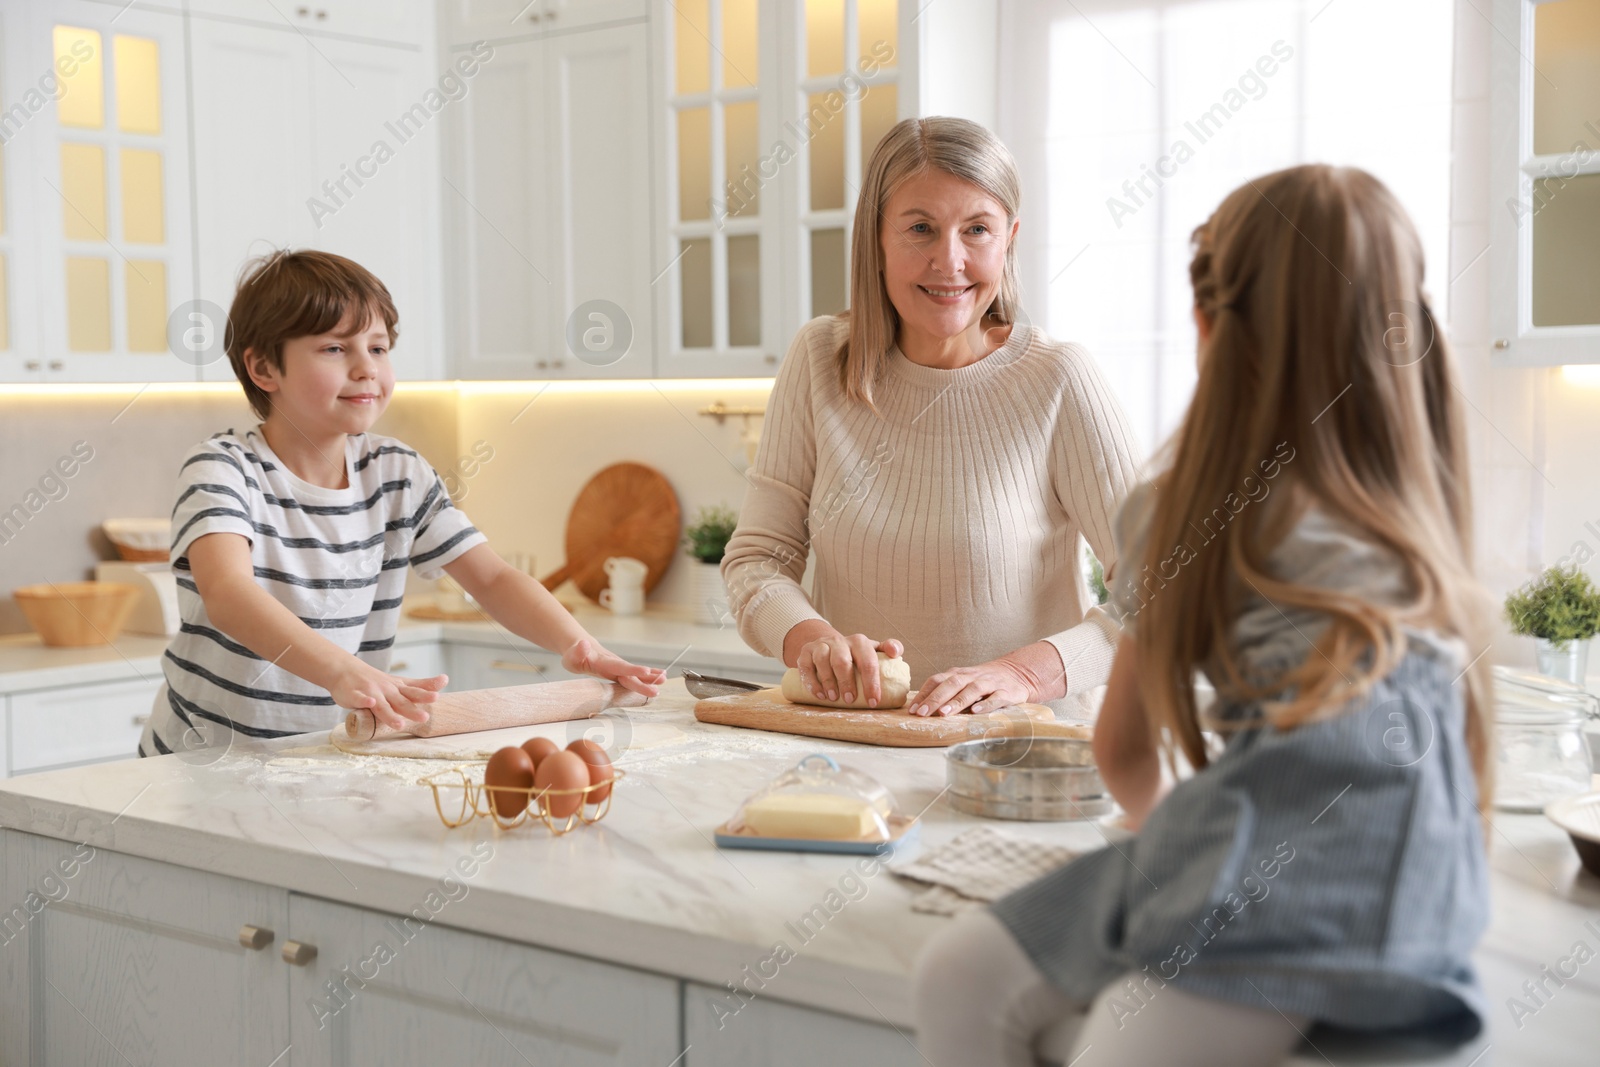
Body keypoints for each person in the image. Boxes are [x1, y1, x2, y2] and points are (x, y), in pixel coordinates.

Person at [911, 164, 1493, 1065]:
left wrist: (1172, 862)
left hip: (1280, 851)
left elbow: (1124, 753)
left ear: (1209, 326)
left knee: (960, 974)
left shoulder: (1187, 504)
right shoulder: (1414, 508)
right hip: (1426, 888)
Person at [137, 250, 663, 757]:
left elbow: (492, 579)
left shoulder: (398, 473)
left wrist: (582, 647)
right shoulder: (224, 468)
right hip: (204, 759)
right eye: (335, 349)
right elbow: (229, 593)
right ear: (264, 369)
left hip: (325, 751)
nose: (367, 368)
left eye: (379, 348)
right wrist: (342, 670)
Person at [721, 117, 1142, 718]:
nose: (951, 261)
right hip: (858, 749)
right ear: (876, 238)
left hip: (1022, 757)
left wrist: (1026, 673)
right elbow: (757, 560)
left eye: (977, 229)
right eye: (921, 228)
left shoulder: (1059, 379)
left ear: (1009, 239)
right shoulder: (819, 360)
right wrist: (811, 641)